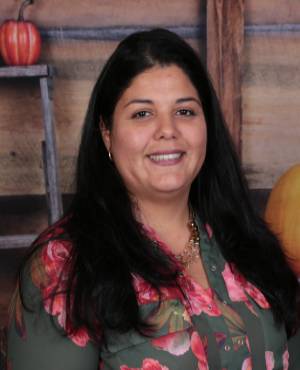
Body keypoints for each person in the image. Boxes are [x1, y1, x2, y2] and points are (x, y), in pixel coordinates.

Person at [6, 28, 300, 370]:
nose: (167, 130)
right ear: (107, 134)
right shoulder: (63, 267)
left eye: (185, 111)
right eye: (142, 114)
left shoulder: (246, 241)